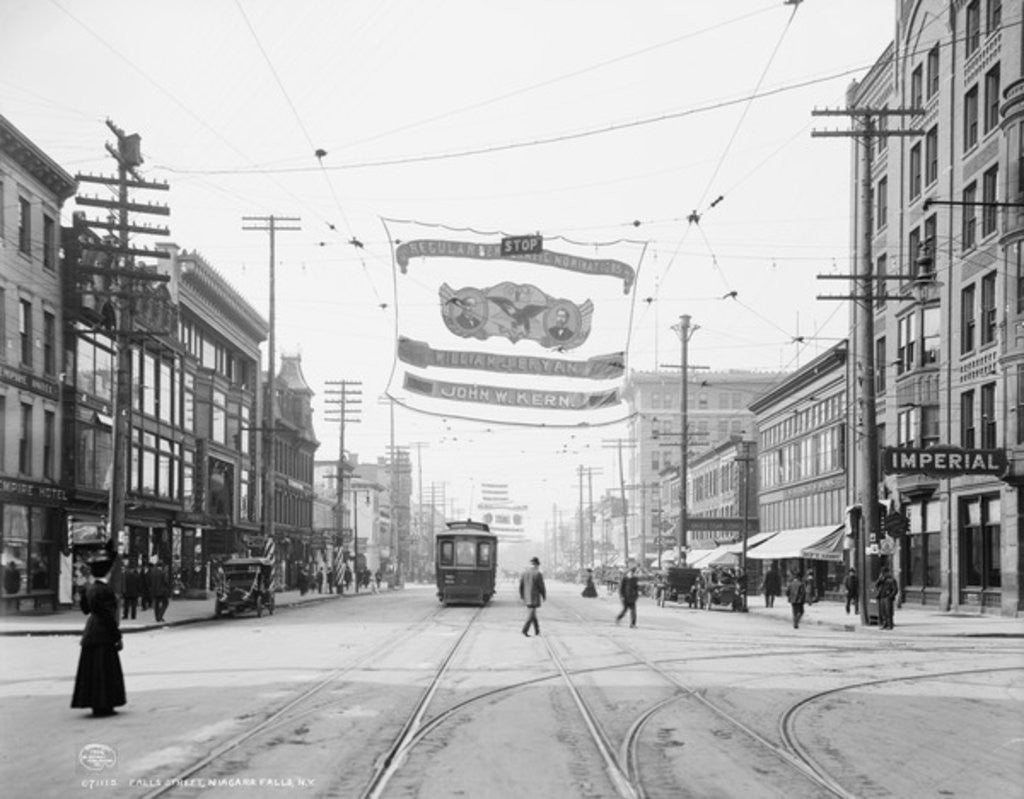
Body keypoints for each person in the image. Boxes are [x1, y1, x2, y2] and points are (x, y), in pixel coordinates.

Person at [71, 554, 126, 717]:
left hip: (91, 631)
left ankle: (94, 703)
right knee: (105, 670)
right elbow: (108, 616)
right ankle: (105, 704)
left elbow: (85, 610)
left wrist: (83, 591)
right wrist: (117, 636)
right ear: (107, 573)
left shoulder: (90, 588)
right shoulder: (105, 590)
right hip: (103, 633)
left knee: (91, 669)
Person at [518, 556, 546, 637]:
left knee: (533, 614)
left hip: (526, 597)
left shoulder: (524, 573)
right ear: (536, 565)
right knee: (531, 615)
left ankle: (537, 631)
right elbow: (541, 586)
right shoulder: (538, 574)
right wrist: (543, 595)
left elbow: (521, 586)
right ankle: (524, 630)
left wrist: (522, 596)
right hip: (534, 597)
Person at [874, 565, 899, 630]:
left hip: (887, 598)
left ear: (888, 572)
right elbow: (876, 585)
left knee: (888, 612)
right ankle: (884, 624)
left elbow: (895, 590)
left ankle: (889, 625)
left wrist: (890, 596)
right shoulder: (881, 580)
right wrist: (879, 579)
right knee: (883, 612)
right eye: (882, 573)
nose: (883, 574)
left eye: (884, 573)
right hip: (881, 597)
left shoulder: (892, 580)